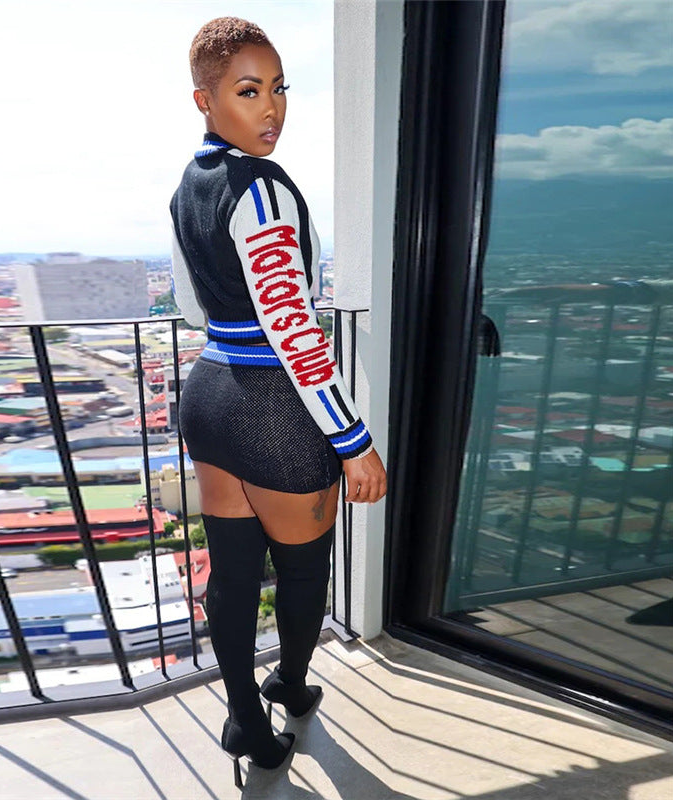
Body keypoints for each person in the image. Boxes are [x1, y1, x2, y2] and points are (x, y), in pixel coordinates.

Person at [169, 17, 387, 786]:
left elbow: (191, 308)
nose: (271, 108)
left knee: (231, 577)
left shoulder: (188, 187)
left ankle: (243, 720)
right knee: (300, 573)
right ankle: (288, 687)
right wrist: (354, 441)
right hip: (272, 410)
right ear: (205, 99)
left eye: (278, 88)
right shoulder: (263, 191)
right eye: (247, 90)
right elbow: (294, 330)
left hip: (210, 392)